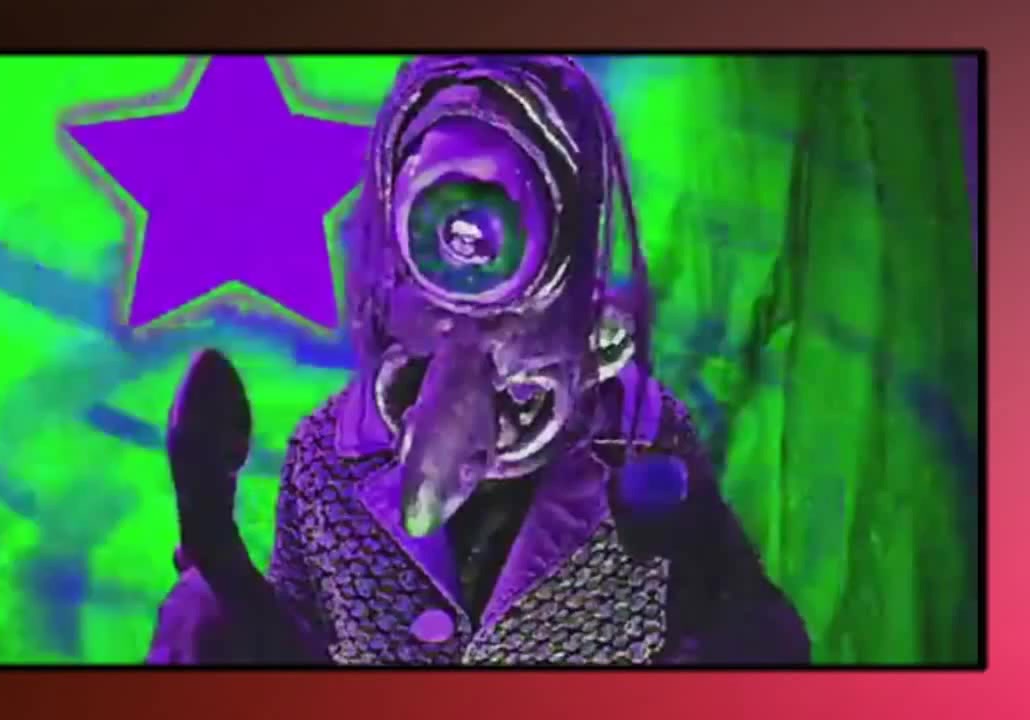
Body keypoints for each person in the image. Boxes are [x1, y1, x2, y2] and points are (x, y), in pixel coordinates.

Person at [147, 55, 810, 666]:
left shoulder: (642, 434)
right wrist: (220, 575)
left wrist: (701, 588)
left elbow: (754, 635)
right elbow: (297, 645)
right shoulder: (326, 453)